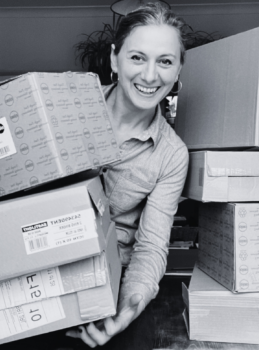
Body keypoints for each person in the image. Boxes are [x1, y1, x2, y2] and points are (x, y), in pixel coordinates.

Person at [65, 2, 189, 349]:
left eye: (165, 61)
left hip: (110, 282)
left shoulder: (172, 155)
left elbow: (150, 246)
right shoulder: (68, 107)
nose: (150, 76)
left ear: (178, 70)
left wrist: (126, 309)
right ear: (114, 59)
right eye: (137, 58)